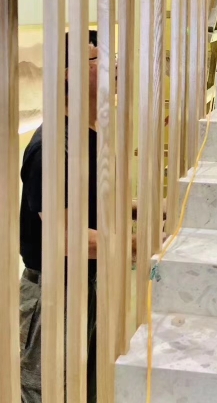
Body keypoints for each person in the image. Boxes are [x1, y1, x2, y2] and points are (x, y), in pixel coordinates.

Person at [20, 31, 100, 403]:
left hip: (83, 284)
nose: (114, 67)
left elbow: (94, 203)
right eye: (98, 59)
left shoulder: (85, 134)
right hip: (54, 293)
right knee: (52, 393)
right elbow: (67, 238)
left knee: (83, 389)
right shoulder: (52, 147)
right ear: (70, 75)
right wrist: (139, 242)